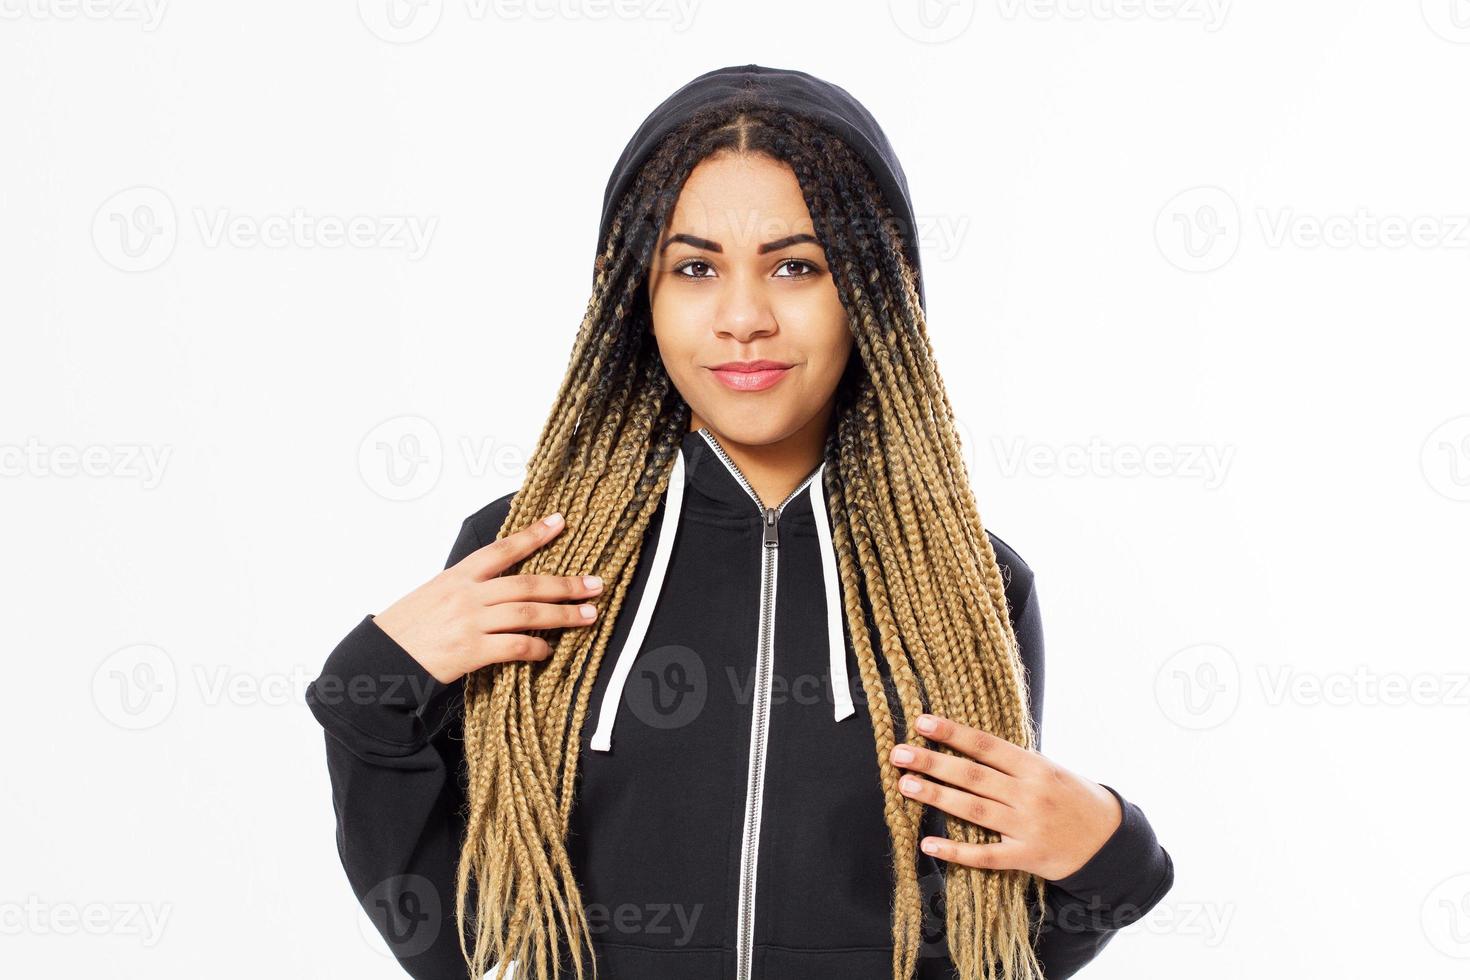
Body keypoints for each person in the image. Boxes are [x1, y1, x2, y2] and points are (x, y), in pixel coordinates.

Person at [305, 63, 1175, 980]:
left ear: (878, 290)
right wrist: (369, 692)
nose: (743, 318)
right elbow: (458, 942)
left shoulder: (969, 583)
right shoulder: (527, 556)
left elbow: (988, 939)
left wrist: (1115, 860)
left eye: (796, 266)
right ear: (634, 294)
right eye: (695, 268)